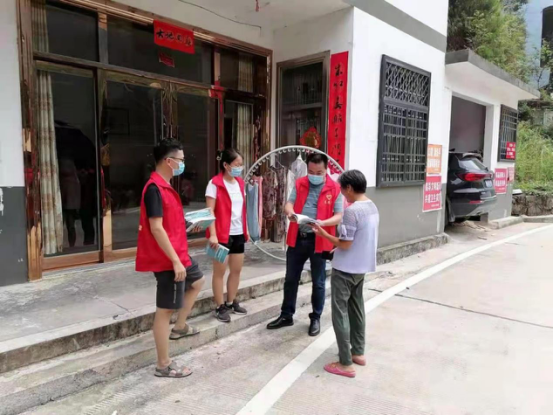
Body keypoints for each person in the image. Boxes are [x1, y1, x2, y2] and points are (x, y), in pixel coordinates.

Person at [135, 139, 205, 378]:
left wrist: (189, 226)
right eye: (181, 160)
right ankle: (163, 365)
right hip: (168, 260)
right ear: (168, 161)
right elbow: (156, 228)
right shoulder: (154, 189)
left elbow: (169, 223)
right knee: (164, 311)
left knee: (197, 281)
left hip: (179, 254)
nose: (183, 164)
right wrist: (175, 261)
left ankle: (180, 326)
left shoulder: (165, 187)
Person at [311, 170, 379, 378]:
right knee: (357, 310)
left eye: (342, 188)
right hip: (361, 267)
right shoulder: (372, 206)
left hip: (345, 269)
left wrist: (323, 234)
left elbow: (345, 243)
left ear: (349, 188)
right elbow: (360, 239)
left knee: (340, 313)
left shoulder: (351, 211)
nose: (341, 193)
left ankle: (345, 363)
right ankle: (358, 351)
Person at [267, 153, 343, 336]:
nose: (314, 175)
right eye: (311, 172)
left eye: (319, 172)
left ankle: (315, 317)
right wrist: (291, 213)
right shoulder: (300, 183)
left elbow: (339, 215)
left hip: (320, 240)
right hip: (298, 238)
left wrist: (323, 223)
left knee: (318, 282)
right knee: (290, 279)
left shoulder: (335, 188)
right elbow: (289, 204)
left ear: (326, 170)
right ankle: (287, 315)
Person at [206, 148, 249, 323]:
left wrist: (246, 229)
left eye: (241, 165)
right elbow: (209, 211)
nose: (240, 168)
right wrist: (213, 234)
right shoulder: (214, 183)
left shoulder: (240, 183)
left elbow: (242, 209)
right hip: (221, 235)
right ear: (226, 165)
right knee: (219, 272)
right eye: (236, 164)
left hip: (238, 233)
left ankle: (231, 301)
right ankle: (220, 306)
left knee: (236, 270)